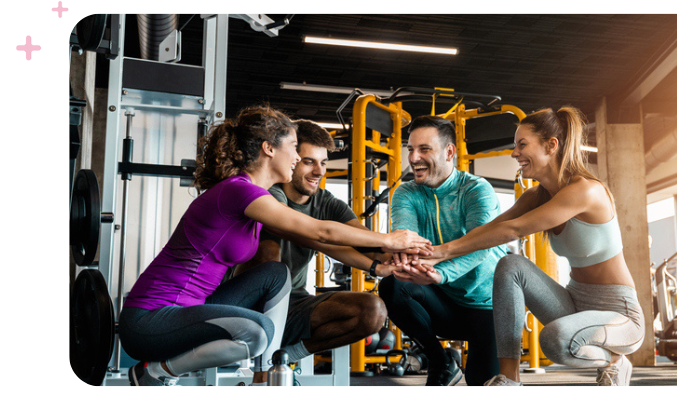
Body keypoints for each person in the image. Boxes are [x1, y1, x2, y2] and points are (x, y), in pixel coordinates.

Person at [119, 105, 430, 386]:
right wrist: (389, 239)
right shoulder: (239, 192)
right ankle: (156, 373)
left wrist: (384, 262)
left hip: (192, 309)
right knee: (257, 332)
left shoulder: (255, 196)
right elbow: (321, 233)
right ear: (268, 148)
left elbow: (318, 238)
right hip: (152, 319)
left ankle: (271, 366)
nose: (297, 158)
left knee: (275, 273)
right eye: (295, 148)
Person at [409, 106, 645, 386]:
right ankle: (509, 379)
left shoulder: (586, 191)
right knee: (510, 264)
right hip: (573, 303)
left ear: (551, 145)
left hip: (619, 314)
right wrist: (433, 256)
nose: (514, 153)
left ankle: (616, 360)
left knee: (554, 340)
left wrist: (438, 254)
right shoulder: (538, 195)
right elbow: (492, 228)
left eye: (522, 145)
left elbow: (513, 230)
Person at [233, 119, 400, 363]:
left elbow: (367, 242)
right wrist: (384, 247)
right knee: (270, 253)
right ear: (291, 158)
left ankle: (290, 353)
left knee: (372, 311)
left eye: (323, 163)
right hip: (247, 303)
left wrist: (401, 255)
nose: (319, 171)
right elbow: (316, 233)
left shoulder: (326, 202)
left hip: (295, 301)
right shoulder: (270, 192)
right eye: (309, 162)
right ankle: (256, 344)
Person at [378, 115, 507, 386]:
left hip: (487, 306)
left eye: (424, 149)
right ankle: (440, 361)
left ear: (449, 152)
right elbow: (408, 242)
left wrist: (442, 274)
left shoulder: (476, 190)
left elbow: (481, 245)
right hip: (443, 303)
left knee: (482, 384)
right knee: (393, 285)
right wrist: (408, 260)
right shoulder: (406, 193)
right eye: (410, 149)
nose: (413, 158)